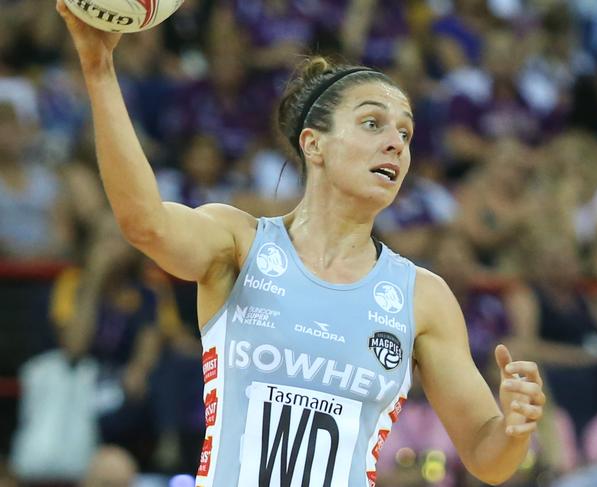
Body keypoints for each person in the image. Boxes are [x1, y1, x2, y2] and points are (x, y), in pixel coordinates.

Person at [56, 1, 545, 485]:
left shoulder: (423, 296)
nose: (396, 142)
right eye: (373, 123)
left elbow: (487, 458)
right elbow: (144, 223)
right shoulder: (239, 242)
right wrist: (99, 70)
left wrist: (513, 429)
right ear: (314, 144)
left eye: (406, 132)